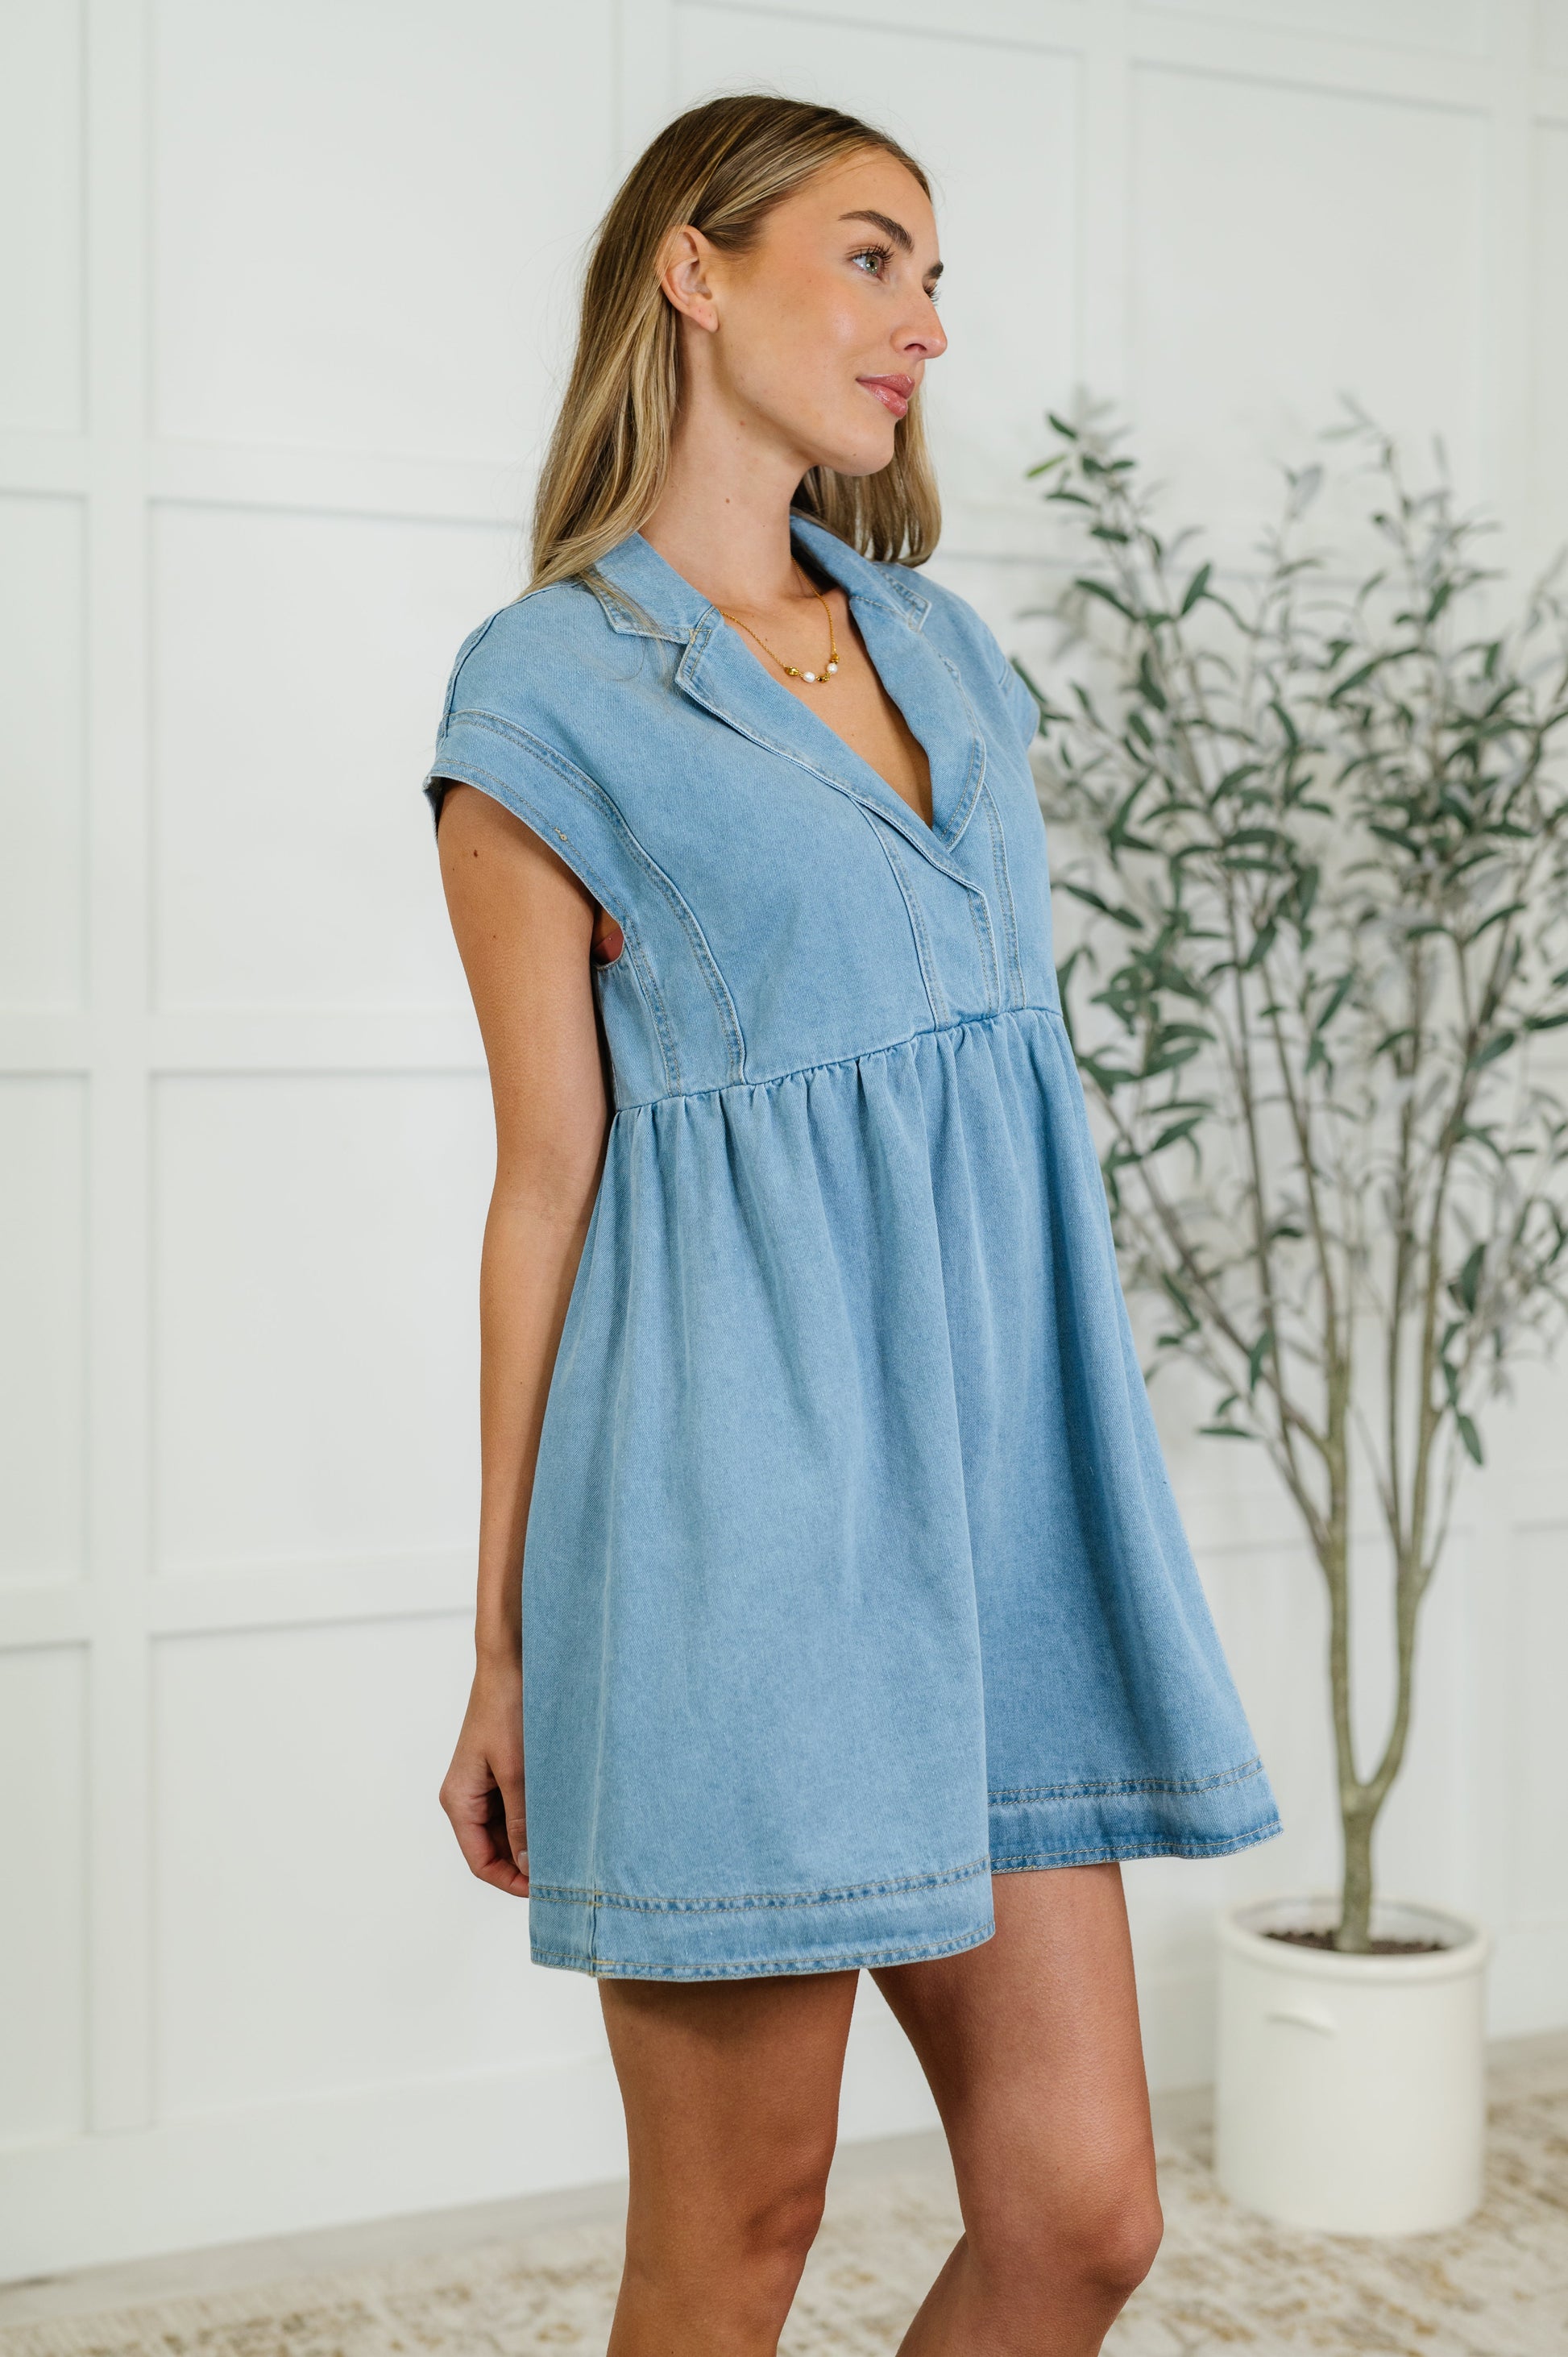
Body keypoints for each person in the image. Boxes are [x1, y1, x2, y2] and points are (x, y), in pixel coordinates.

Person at [422, 92, 1280, 2357]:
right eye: (873, 256)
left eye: (934, 278)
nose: (922, 322)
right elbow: (545, 1180)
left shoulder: (946, 661)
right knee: (739, 2237)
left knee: (1082, 2209)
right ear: (693, 273)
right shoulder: (547, 694)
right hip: (735, 1522)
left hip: (997, 1513)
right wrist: (505, 1644)